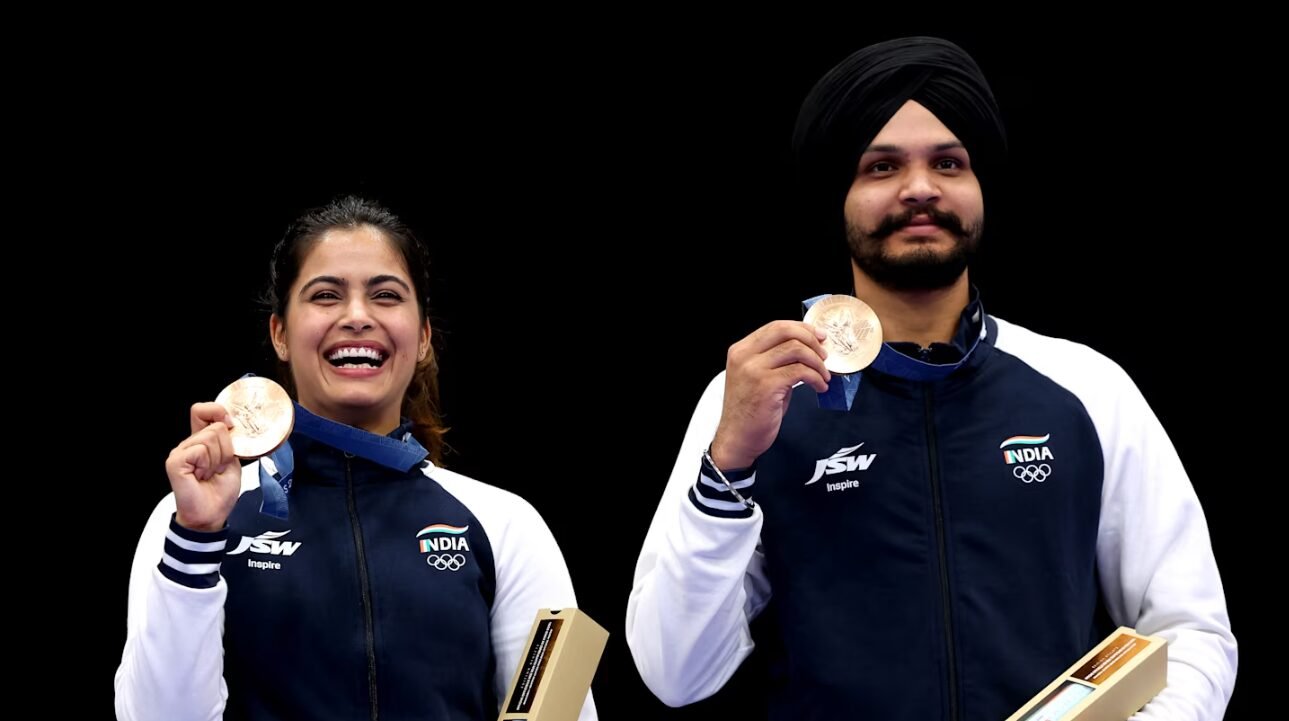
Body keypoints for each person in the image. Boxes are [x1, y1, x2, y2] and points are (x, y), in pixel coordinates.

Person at [626, 36, 1236, 720]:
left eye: (947, 162)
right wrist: (728, 465)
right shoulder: (753, 398)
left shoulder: (1086, 387)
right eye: (881, 166)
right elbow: (675, 673)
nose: (919, 187)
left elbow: (1188, 630)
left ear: (979, 189)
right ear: (840, 197)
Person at [115, 195, 597, 721]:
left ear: (424, 337)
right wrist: (197, 538)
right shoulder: (188, 520)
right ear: (279, 333)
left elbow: (559, 715)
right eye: (325, 295)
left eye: (386, 295)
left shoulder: (508, 525)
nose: (357, 317)